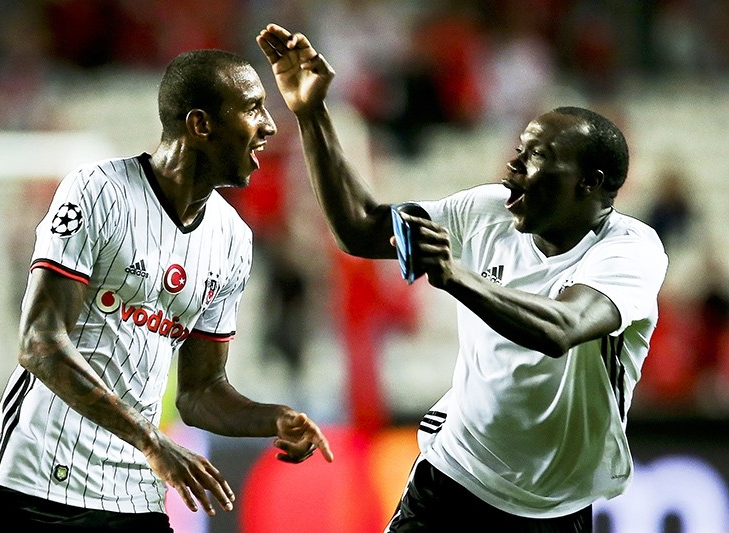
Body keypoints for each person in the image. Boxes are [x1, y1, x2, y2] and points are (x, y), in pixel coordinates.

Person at [256, 23, 668, 532]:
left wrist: (453, 277)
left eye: (538, 155)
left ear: (591, 184)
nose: (513, 164)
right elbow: (361, 230)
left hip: (553, 509)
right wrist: (312, 114)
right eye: (521, 147)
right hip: (453, 479)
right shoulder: (487, 211)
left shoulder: (629, 250)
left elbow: (562, 328)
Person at [0, 48, 333, 533]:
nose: (269, 125)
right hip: (32, 484)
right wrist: (152, 441)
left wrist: (273, 418)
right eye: (252, 108)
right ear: (201, 124)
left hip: (133, 499)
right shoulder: (98, 190)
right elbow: (40, 342)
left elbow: (201, 392)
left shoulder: (233, 240)